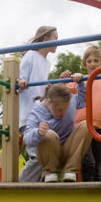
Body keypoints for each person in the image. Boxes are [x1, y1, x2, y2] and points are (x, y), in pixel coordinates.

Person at [23, 80, 93, 183]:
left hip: (68, 151)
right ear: (49, 102)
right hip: (50, 155)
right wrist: (38, 132)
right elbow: (27, 138)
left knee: (86, 125)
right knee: (48, 134)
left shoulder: (70, 101)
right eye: (60, 110)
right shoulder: (37, 111)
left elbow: (83, 100)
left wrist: (81, 83)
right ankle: (50, 172)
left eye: (66, 109)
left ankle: (70, 170)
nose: (63, 113)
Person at [18, 26, 58, 182]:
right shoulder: (31, 55)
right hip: (28, 114)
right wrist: (20, 81)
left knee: (44, 156)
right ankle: (18, 190)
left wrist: (48, 88)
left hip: (41, 113)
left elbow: (39, 85)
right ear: (46, 38)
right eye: (55, 38)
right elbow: (20, 79)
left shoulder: (47, 63)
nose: (58, 42)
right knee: (37, 156)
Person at [63, 44, 101, 181]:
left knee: (98, 166)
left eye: (96, 61)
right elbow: (64, 89)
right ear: (84, 64)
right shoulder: (80, 80)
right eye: (89, 61)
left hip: (100, 126)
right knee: (88, 163)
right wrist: (65, 77)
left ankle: (99, 194)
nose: (92, 64)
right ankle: (88, 191)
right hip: (82, 126)